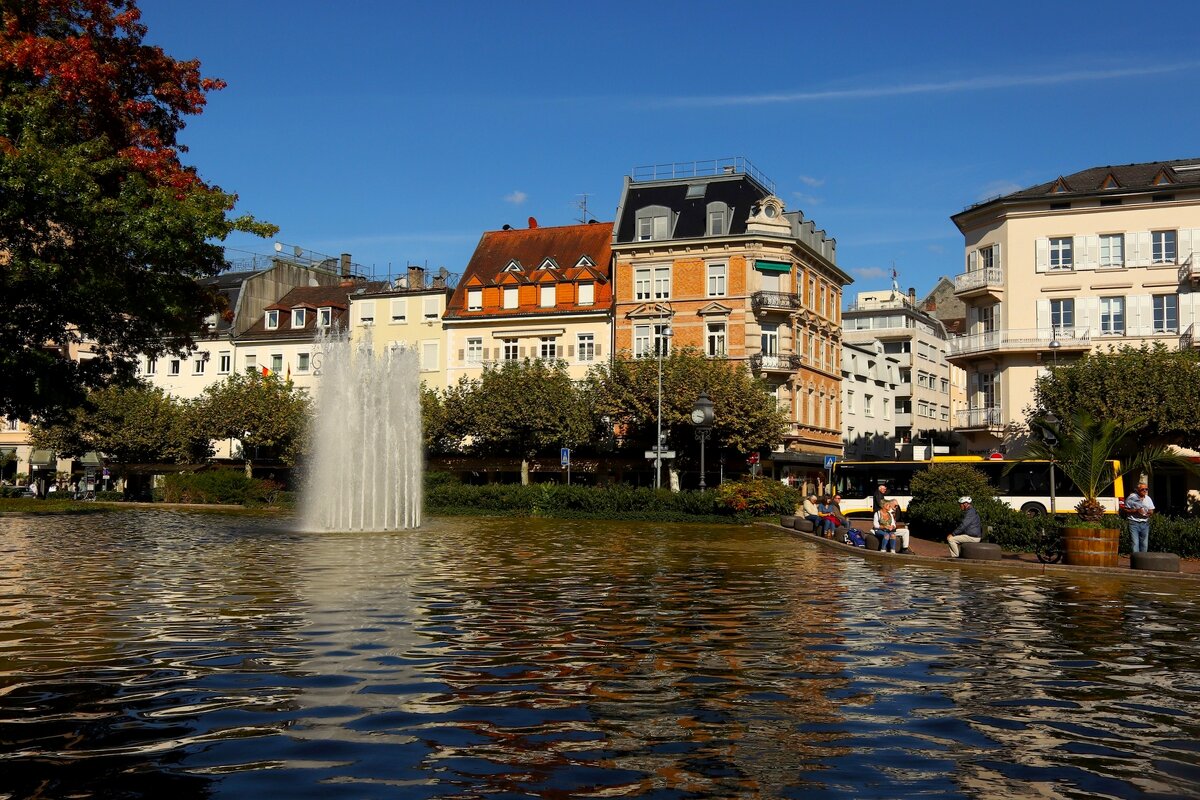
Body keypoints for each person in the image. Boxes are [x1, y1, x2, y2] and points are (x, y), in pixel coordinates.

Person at [1125, 482, 1155, 554]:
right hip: (1134, 523)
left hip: (1145, 523)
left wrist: (1149, 513)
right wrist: (1136, 511)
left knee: (1144, 544)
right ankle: (1136, 562)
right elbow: (1125, 509)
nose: (1145, 491)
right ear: (1137, 490)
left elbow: (1151, 510)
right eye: (1142, 489)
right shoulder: (1131, 498)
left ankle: (1143, 562)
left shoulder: (1148, 498)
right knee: (1135, 543)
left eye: (1146, 489)